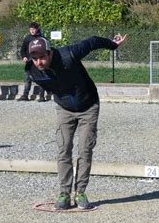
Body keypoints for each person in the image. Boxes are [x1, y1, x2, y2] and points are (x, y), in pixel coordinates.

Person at [26, 34, 127, 210]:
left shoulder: (69, 54)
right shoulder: (32, 71)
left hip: (88, 106)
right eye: (35, 58)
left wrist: (112, 45)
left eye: (42, 57)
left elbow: (92, 41)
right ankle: (64, 193)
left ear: (50, 53)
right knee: (63, 149)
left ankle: (80, 192)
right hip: (64, 109)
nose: (39, 62)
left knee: (85, 149)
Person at [18, 22, 49, 102]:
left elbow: (47, 51)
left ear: (37, 29)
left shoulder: (42, 39)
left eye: (34, 29)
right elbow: (23, 49)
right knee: (27, 78)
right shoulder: (27, 38)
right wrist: (24, 56)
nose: (32, 31)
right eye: (31, 29)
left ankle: (41, 96)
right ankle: (25, 95)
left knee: (41, 78)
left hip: (39, 62)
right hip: (29, 61)